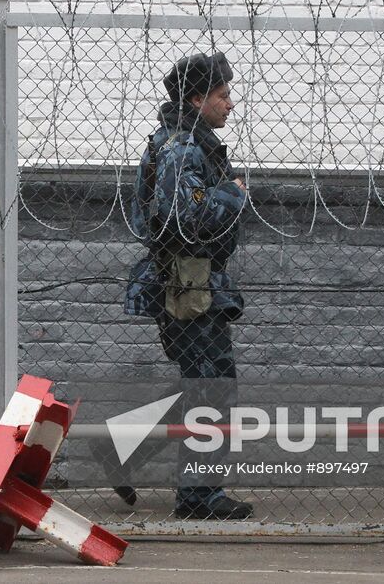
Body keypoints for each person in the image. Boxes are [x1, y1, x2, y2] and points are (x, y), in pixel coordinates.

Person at [120, 52, 255, 520]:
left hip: (191, 285)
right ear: (197, 99)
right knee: (212, 388)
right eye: (222, 95)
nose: (230, 104)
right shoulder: (182, 148)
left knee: (199, 383)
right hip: (187, 288)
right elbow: (183, 220)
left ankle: (120, 451)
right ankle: (199, 497)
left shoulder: (185, 143)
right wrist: (233, 193)